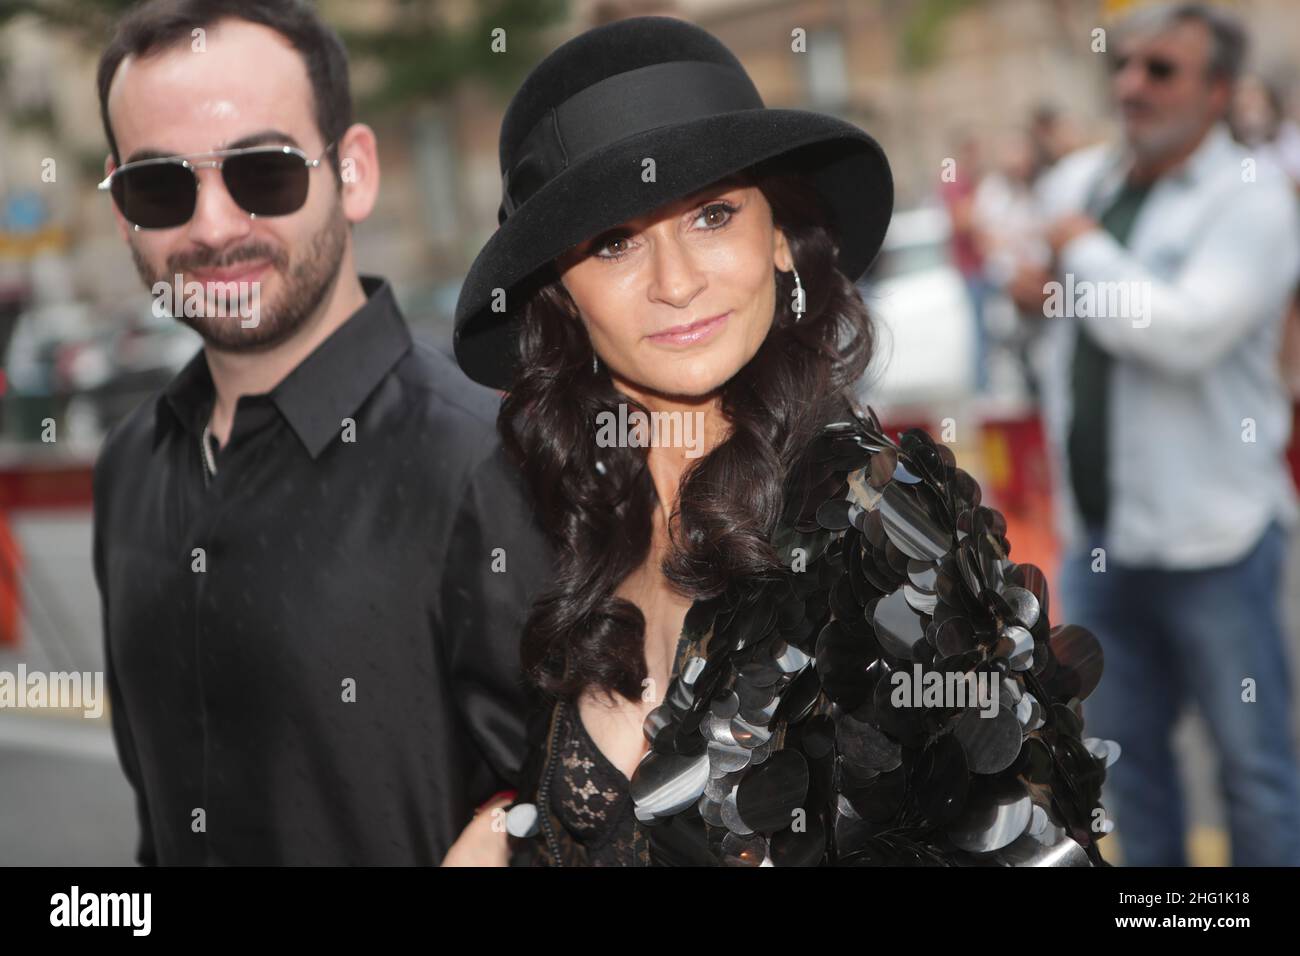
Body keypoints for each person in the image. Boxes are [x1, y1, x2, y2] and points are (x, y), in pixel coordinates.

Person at [443, 15, 1117, 867]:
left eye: (713, 216)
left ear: (781, 242)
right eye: (615, 243)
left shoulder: (878, 525)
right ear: (562, 298)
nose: (677, 283)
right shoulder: (567, 521)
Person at [91, 0, 550, 865]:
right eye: (161, 187)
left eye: (263, 172)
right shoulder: (127, 471)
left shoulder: (490, 464)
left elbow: (588, 812)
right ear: (122, 209)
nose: (215, 226)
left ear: (354, 172)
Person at [1011, 2, 1300, 866]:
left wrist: (1081, 255)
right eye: (1124, 66)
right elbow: (1045, 316)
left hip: (1216, 543)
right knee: (1120, 773)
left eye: (1162, 69)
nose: (1132, 84)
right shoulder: (1082, 184)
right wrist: (1039, 290)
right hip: (1101, 543)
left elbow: (1183, 334)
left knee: (1253, 776)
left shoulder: (1251, 198)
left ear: (1216, 91)